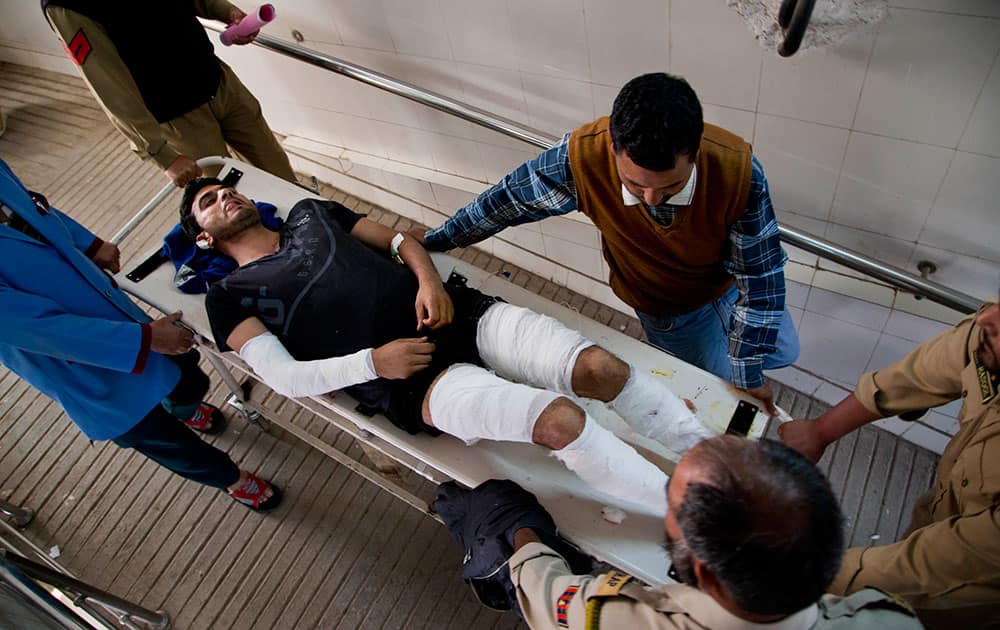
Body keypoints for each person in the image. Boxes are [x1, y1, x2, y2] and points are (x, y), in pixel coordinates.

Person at [179, 177, 716, 513]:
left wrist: (430, 281)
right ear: (203, 237)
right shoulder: (229, 296)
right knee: (559, 423)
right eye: (208, 201)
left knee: (600, 368)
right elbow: (286, 379)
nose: (225, 195)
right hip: (411, 381)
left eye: (226, 188)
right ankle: (687, 510)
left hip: (460, 314)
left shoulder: (309, 214)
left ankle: (708, 452)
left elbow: (399, 240)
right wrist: (375, 361)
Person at [417, 73, 799, 415]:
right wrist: (437, 240)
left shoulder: (740, 175)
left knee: (781, 352)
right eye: (635, 185)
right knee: (719, 394)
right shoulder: (582, 158)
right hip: (671, 310)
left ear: (695, 154)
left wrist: (748, 370)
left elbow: (761, 277)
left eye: (670, 186)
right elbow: (504, 204)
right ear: (613, 148)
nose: (650, 199)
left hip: (729, 285)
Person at [0, 159, 279, 511]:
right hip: (78, 363)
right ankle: (231, 479)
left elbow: (29, 207)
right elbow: (38, 329)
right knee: (165, 440)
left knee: (188, 376)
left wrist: (88, 243)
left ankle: (184, 406)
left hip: (110, 309)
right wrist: (145, 339)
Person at [504, 436, 922, 629]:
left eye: (671, 502)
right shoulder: (888, 621)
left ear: (704, 573)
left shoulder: (620, 618)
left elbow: (549, 603)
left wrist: (524, 536)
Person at [779, 303, 1000, 629]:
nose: (986, 316)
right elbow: (917, 375)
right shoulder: (991, 335)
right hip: (946, 503)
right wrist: (821, 431)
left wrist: (797, 573)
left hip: (971, 587)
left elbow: (934, 565)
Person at [42, 0, 295, 188]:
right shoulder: (66, 5)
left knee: (279, 169)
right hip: (178, 117)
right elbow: (109, 86)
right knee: (227, 193)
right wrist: (160, 154)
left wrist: (224, 11)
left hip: (219, 82)